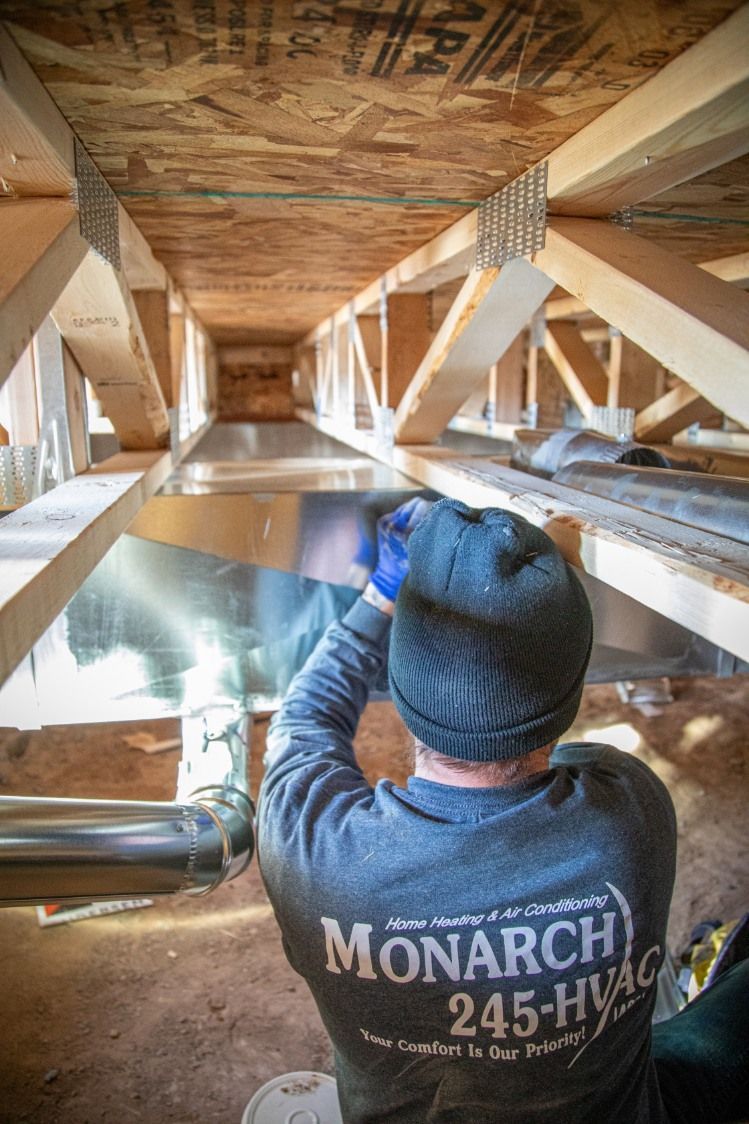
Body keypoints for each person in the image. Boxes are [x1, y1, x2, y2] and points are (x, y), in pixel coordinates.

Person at [257, 498, 748, 1123]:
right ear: (566, 695)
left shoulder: (310, 851)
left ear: (403, 690)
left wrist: (383, 591)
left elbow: (305, 718)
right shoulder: (631, 809)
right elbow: (559, 753)